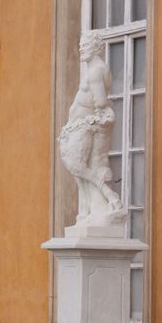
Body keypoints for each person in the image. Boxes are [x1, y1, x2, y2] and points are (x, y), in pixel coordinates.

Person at [57, 32, 125, 227]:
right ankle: (85, 211)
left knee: (79, 167)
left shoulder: (96, 71)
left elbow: (100, 102)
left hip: (86, 124)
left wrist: (94, 117)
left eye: (85, 45)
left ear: (97, 47)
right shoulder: (95, 69)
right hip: (79, 125)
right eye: (80, 44)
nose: (81, 48)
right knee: (79, 170)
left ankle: (109, 197)